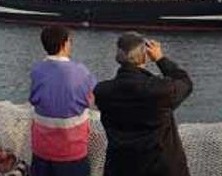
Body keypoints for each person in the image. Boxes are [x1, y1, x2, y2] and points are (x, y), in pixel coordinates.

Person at [94, 32, 192, 176]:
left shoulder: (102, 91)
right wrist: (160, 59)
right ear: (144, 56)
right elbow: (185, 82)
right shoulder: (160, 91)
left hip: (120, 167)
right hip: (161, 168)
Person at [28, 26, 97, 176]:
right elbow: (93, 99)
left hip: (41, 149)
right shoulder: (81, 71)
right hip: (72, 151)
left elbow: (34, 99)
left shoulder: (37, 70)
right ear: (64, 44)